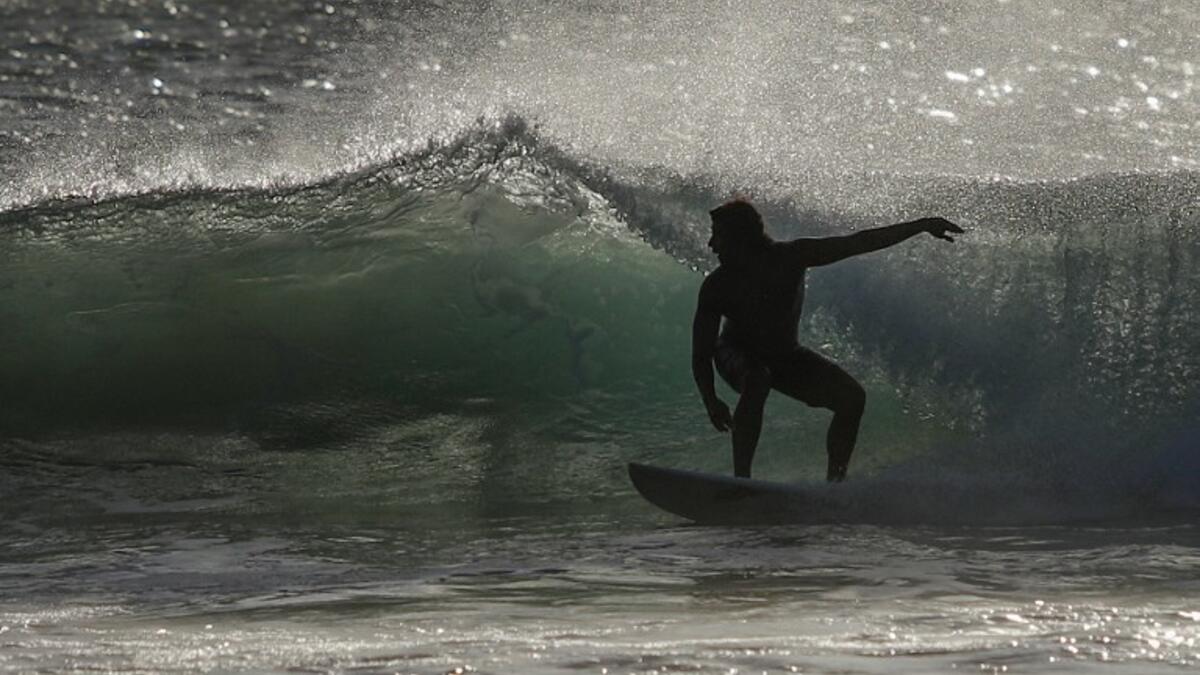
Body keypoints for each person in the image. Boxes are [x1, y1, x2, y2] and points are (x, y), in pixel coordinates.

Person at [691, 199, 964, 482]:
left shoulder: (791, 257)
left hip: (785, 355)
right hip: (735, 353)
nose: (712, 244)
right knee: (757, 377)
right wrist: (710, 400)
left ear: (740, 238)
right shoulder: (717, 286)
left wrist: (921, 225)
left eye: (718, 235)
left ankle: (834, 485)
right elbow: (701, 353)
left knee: (852, 398)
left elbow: (858, 243)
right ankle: (742, 482)